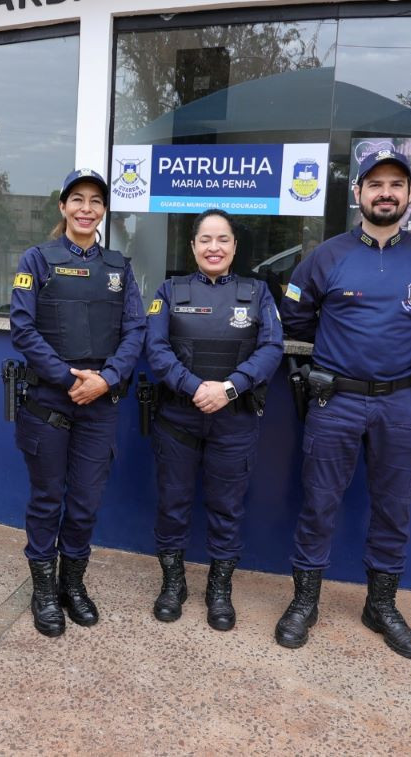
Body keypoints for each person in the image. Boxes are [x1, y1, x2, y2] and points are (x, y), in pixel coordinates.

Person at [276, 149, 411, 659]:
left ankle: (380, 606)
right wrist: (342, 345)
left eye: (396, 185)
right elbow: (295, 316)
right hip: (334, 401)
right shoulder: (326, 256)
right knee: (319, 503)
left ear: (409, 196)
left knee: (394, 507)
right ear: (358, 194)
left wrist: (405, 345)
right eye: (375, 184)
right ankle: (304, 603)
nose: (386, 193)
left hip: (399, 404)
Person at [8, 168, 146, 637]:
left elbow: (135, 331)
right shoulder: (37, 260)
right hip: (51, 399)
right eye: (78, 200)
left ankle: (73, 584)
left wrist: (105, 379)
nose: (87, 209)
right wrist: (71, 378)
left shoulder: (119, 268)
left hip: (100, 402)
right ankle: (43, 590)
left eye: (96, 201)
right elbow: (22, 329)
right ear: (63, 207)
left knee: (85, 502)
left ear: (104, 210)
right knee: (47, 500)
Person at [144, 209, 283, 631]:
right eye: (205, 239)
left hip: (234, 420)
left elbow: (272, 347)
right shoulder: (169, 291)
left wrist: (230, 387)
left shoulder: (258, 293)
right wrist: (193, 387)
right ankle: (174, 584)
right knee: (173, 505)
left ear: (235, 247)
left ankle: (219, 590)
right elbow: (155, 348)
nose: (214, 248)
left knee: (227, 508)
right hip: (177, 419)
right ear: (192, 246)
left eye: (223, 239)